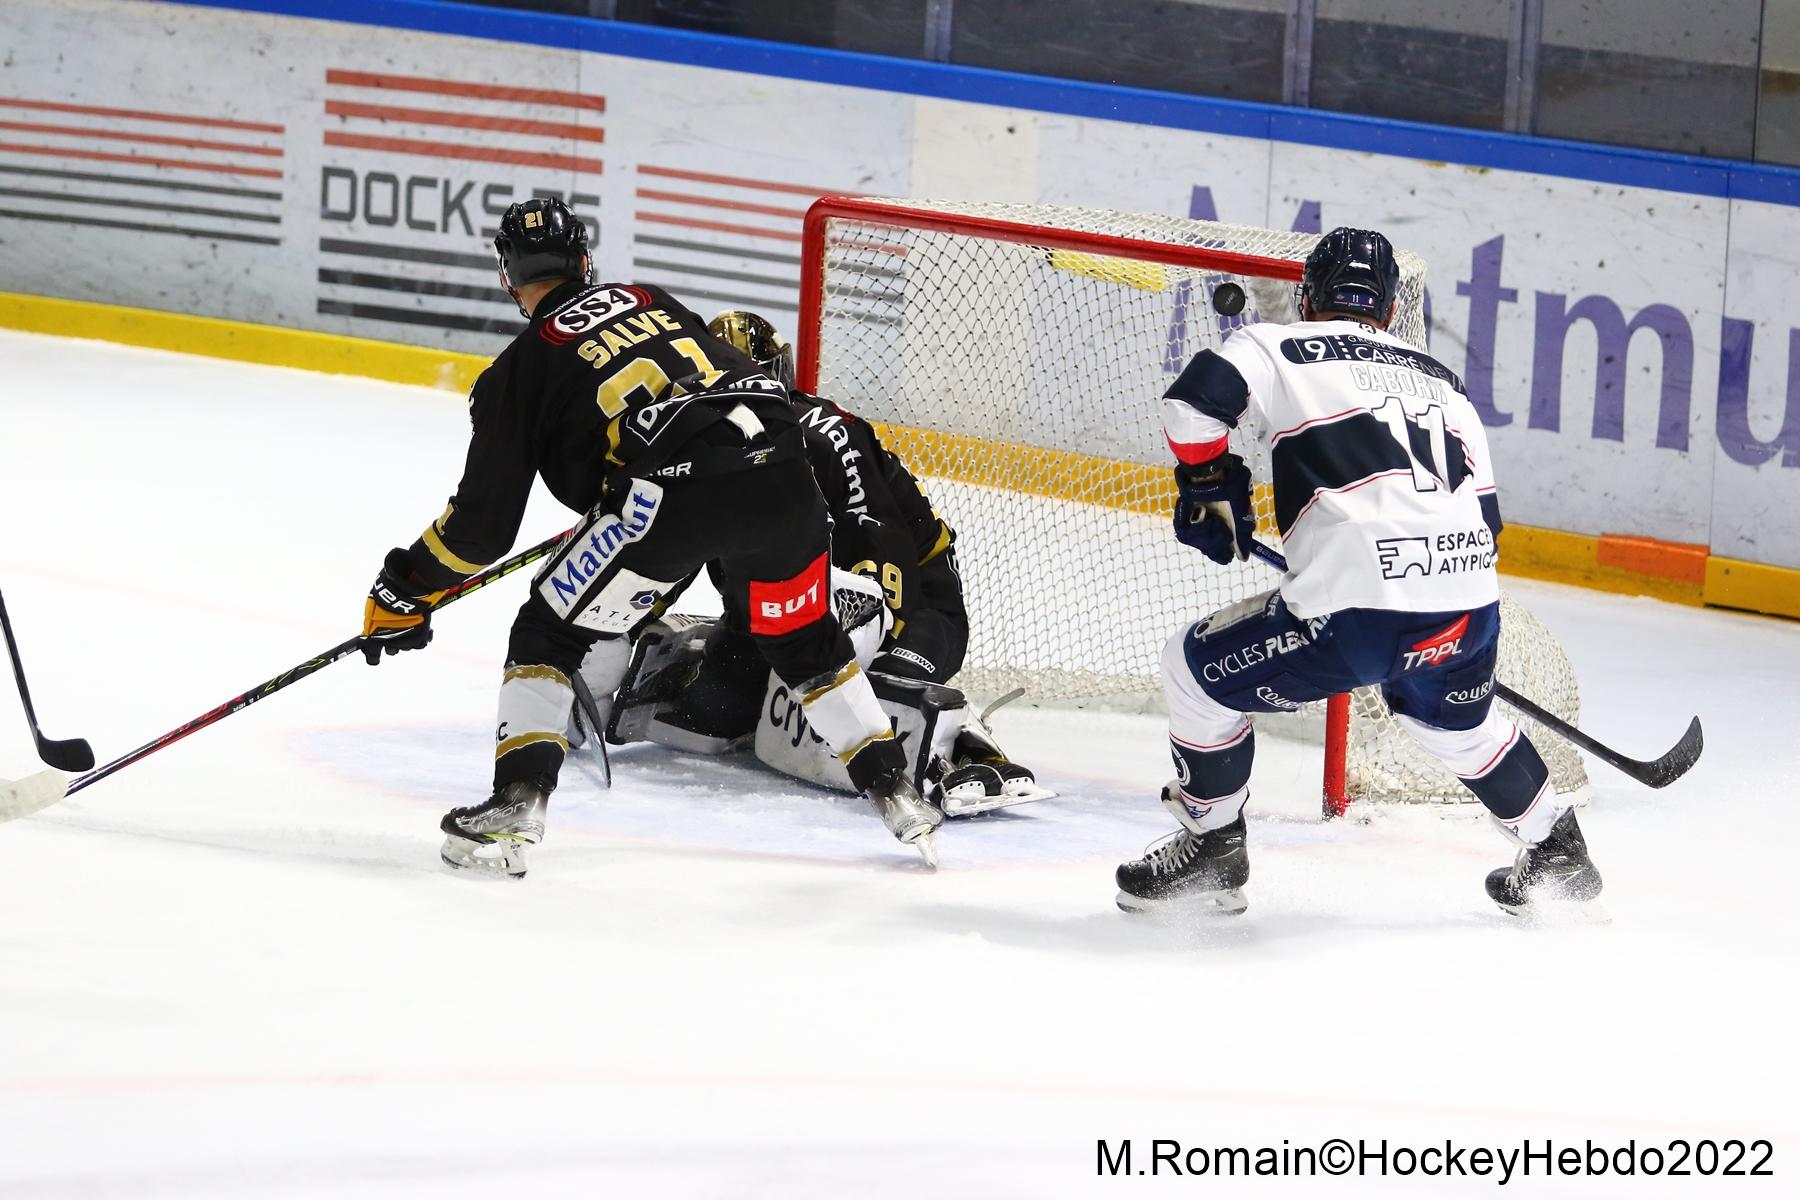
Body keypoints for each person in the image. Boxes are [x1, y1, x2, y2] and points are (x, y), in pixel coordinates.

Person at [358, 198, 942, 876]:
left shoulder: (516, 371)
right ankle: (896, 791)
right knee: (804, 640)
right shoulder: (650, 299)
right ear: (584, 261)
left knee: (548, 633)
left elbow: (479, 532)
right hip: (786, 479)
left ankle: (517, 802)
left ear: (508, 279)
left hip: (670, 499)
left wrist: (406, 587)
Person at [1115, 227, 1601, 918]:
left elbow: (1194, 405)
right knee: (1453, 723)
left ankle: (1213, 846)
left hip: (1355, 617)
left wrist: (1208, 482)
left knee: (1192, 672)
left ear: (1306, 297)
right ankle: (1557, 848)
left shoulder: (1275, 343)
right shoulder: (1446, 383)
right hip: (1469, 606)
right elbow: (1487, 521)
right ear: (1390, 309)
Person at [594, 311, 1042, 814]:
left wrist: (859, 659)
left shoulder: (827, 435)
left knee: (876, 693)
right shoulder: (702, 446)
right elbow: (671, 548)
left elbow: (880, 542)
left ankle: (970, 750)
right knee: (711, 710)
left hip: (911, 607)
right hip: (786, 616)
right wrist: (613, 621)